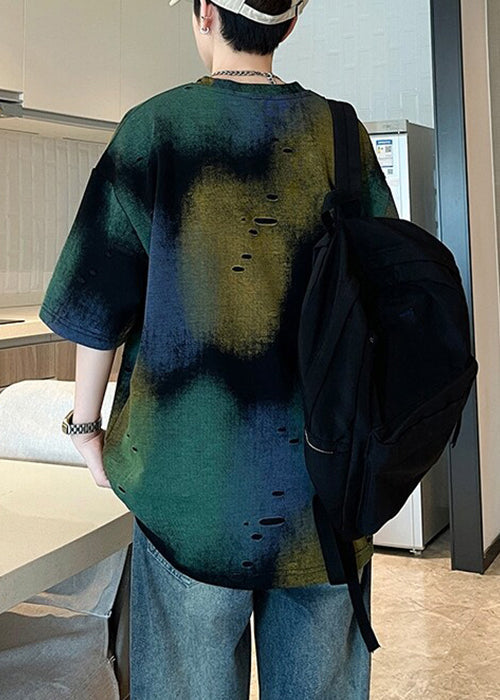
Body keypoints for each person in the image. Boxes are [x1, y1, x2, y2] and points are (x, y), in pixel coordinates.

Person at [39, 0, 399, 697]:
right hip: (325, 498)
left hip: (188, 499)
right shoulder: (342, 134)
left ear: (205, 13)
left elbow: (96, 304)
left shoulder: (153, 130)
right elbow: (388, 296)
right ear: (290, 23)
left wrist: (87, 428)